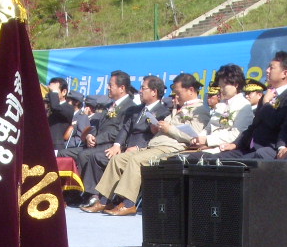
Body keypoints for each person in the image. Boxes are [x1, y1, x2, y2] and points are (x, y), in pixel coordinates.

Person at [85, 73, 210, 216]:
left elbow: (194, 137)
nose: (175, 96)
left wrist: (169, 129)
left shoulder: (200, 111)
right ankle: (104, 200)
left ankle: (128, 203)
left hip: (171, 149)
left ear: (191, 90)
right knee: (117, 160)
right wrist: (157, 128)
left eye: (178, 92)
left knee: (136, 160)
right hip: (154, 146)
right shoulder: (178, 107)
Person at [68, 70, 140, 204]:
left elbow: (120, 131)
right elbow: (97, 125)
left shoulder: (130, 107)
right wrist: (90, 135)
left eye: (110, 85)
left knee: (86, 155)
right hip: (97, 142)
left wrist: (98, 139)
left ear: (122, 88)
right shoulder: (108, 106)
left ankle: (91, 193)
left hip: (112, 144)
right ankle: (73, 191)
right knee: (65, 153)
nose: (108, 88)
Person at [221, 50, 287, 156]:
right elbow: (254, 125)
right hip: (249, 148)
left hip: (269, 151)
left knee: (236, 164)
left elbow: (276, 123)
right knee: (213, 159)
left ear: (284, 73)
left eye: (271, 68)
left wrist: (266, 103)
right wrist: (235, 144)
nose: (267, 70)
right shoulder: (268, 95)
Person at [198, 64, 254, 151]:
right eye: (220, 87)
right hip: (210, 146)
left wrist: (207, 140)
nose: (221, 90)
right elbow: (209, 127)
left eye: (224, 86)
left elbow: (236, 135)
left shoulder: (243, 105)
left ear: (236, 85)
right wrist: (198, 138)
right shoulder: (221, 104)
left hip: (225, 149)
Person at [47, 77, 74, 146]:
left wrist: (53, 92)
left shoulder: (68, 108)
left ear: (64, 92)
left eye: (53, 91)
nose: (51, 94)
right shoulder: (48, 107)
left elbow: (55, 107)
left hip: (56, 145)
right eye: (50, 91)